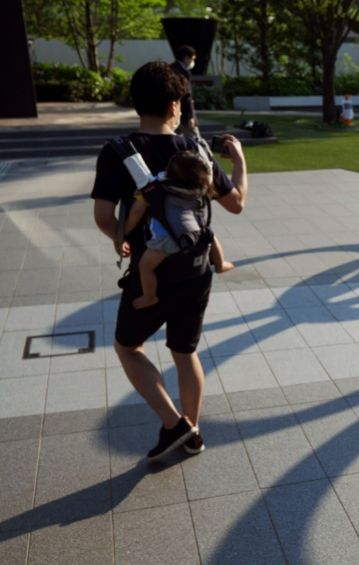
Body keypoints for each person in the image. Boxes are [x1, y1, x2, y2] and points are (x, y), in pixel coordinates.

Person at [92, 61, 248, 461]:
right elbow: (236, 205)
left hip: (154, 273)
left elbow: (104, 218)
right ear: (176, 104)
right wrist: (239, 160)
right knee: (185, 352)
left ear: (135, 104)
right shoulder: (195, 150)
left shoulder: (117, 152)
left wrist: (120, 240)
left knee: (129, 347)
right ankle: (192, 433)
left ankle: (173, 423)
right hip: (197, 272)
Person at [124, 150, 235, 310]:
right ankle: (220, 264)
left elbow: (136, 212)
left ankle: (149, 297)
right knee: (211, 236)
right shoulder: (201, 187)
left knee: (145, 266)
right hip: (197, 230)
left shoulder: (154, 188)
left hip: (168, 237)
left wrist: (126, 230)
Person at [170, 44, 199, 138]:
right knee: (195, 140)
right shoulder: (183, 73)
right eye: (192, 59)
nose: (193, 62)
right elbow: (187, 96)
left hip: (172, 115)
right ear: (186, 58)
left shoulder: (170, 69)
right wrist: (190, 116)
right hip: (183, 115)